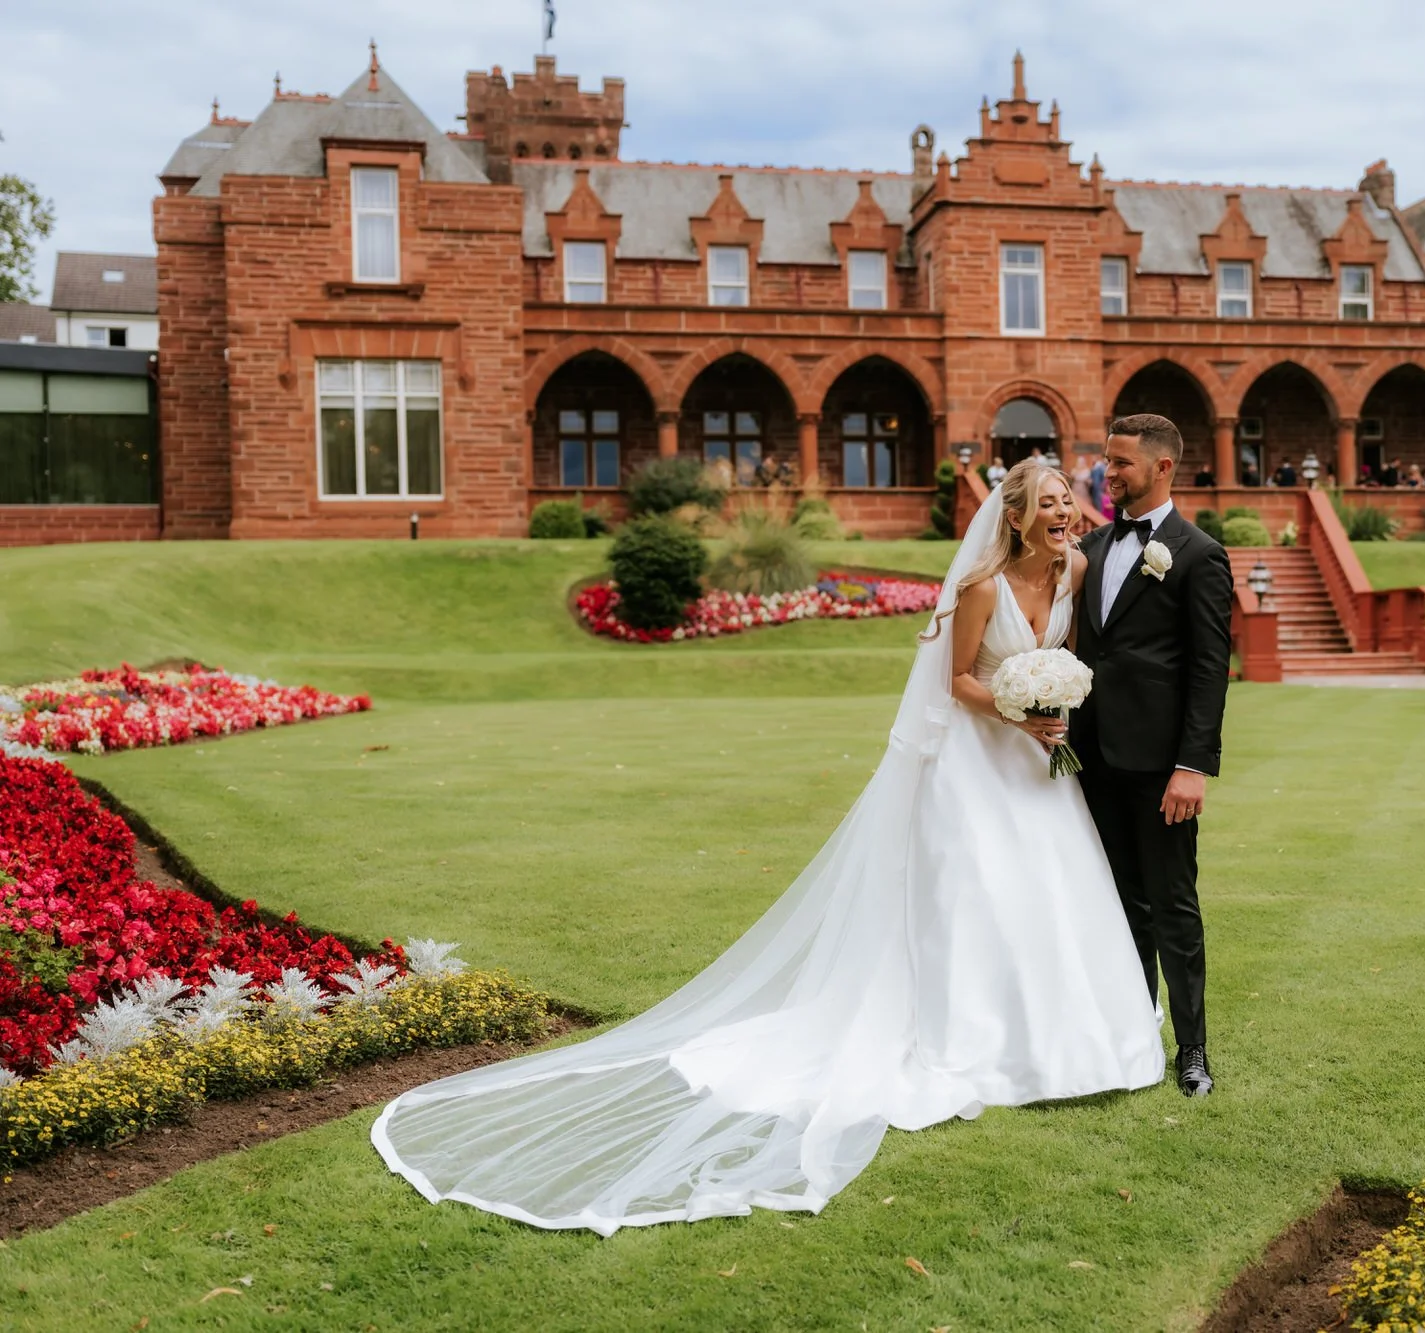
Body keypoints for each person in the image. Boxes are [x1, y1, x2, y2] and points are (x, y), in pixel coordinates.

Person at [373, 463, 1164, 1234]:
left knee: (1050, 894)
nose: (1066, 513)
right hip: (979, 760)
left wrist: (1054, 702)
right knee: (976, 894)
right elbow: (955, 679)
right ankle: (974, 1042)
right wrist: (1019, 710)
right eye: (1051, 504)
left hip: (1036, 768)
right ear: (1016, 514)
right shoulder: (981, 587)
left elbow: (1084, 652)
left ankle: (1070, 1043)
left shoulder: (1077, 569)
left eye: (1069, 501)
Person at [1073, 413, 1233, 1102]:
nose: (1109, 472)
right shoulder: (1093, 544)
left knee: (1172, 905)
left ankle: (1191, 1050)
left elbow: (1208, 670)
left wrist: (1192, 766)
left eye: (1122, 463)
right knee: (1116, 905)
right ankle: (1134, 1031)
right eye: (1108, 461)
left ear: (1163, 467)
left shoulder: (1197, 554)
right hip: (1089, 760)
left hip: (1162, 768)